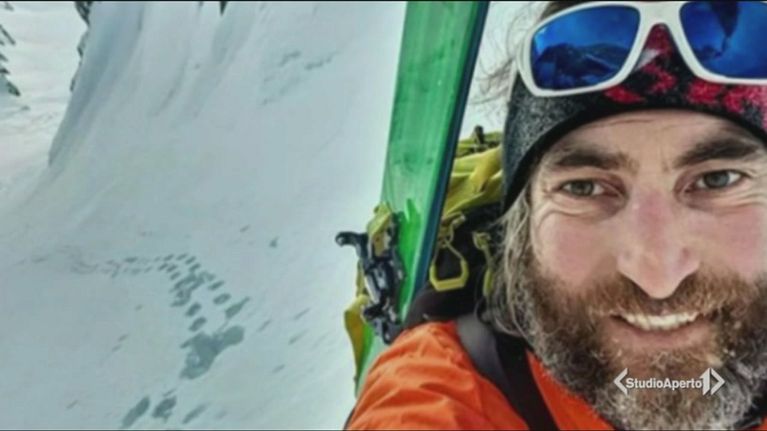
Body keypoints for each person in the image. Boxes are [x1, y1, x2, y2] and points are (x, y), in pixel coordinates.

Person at [347, 1, 767, 430]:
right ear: (522, 226)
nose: (658, 278)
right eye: (583, 188)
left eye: (718, 179)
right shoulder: (442, 399)